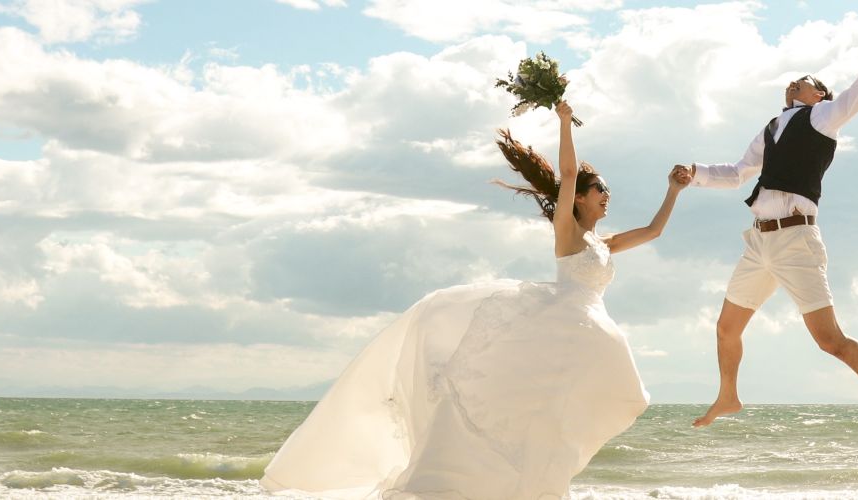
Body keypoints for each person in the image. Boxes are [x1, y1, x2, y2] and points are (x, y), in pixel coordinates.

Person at [261, 101, 694, 497]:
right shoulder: (568, 231)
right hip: (564, 324)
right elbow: (565, 174)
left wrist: (673, 190)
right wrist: (564, 123)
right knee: (544, 400)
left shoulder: (605, 242)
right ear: (579, 198)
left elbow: (654, 231)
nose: (607, 197)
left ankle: (535, 471)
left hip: (584, 331)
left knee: (597, 401)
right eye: (601, 190)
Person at [674, 0, 858, 448]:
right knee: (727, 328)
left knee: (830, 341)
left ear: (818, 95)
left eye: (803, 80)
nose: (794, 82)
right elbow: (738, 171)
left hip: (797, 239)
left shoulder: (823, 116)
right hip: (758, 243)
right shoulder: (770, 128)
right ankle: (728, 395)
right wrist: (696, 173)